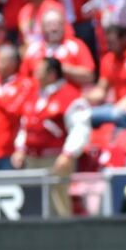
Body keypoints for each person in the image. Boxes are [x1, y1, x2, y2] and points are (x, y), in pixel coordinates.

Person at [13, 57, 92, 217]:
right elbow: (25, 124)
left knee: (59, 202)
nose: (35, 73)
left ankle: (63, 239)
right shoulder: (33, 94)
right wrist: (20, 148)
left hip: (56, 159)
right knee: (33, 203)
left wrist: (68, 154)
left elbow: (80, 128)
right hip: (32, 159)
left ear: (52, 74)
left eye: (39, 70)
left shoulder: (70, 96)